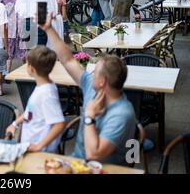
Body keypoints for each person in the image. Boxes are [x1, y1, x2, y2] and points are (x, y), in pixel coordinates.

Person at [39, 14, 137, 165]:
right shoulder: (92, 86)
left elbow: (94, 154)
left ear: (103, 82)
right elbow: (68, 60)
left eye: (95, 72)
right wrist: (49, 29)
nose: (90, 73)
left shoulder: (122, 113)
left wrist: (89, 116)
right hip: (76, 162)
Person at [5, 46, 65, 153]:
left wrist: (39, 146)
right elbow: (31, 112)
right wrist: (15, 124)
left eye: (27, 64)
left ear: (32, 69)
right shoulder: (43, 86)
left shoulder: (47, 94)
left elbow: (59, 124)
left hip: (38, 149)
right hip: (30, 144)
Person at [1, 0, 27, 74]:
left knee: (9, 50)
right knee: (24, 49)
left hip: (10, 25)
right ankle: (26, 72)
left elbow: (3, 9)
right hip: (23, 24)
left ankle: (7, 72)